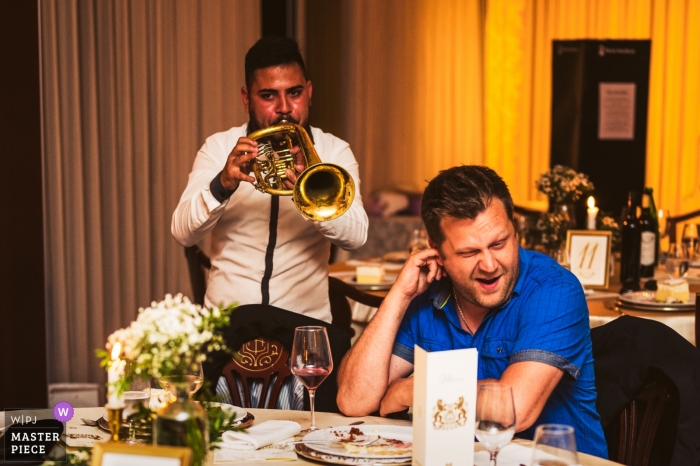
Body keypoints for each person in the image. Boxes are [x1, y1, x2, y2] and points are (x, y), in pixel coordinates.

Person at [336, 165, 607, 458]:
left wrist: (409, 391)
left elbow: (513, 409)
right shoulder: (424, 296)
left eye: (499, 243)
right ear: (436, 250)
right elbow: (354, 401)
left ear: (515, 231)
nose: (490, 265)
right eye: (469, 253)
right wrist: (398, 297)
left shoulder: (554, 290)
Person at [172, 36, 367, 322]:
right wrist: (221, 185)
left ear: (309, 92)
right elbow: (182, 232)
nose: (285, 107)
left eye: (295, 92)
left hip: (305, 324)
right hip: (228, 324)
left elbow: (356, 237)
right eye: (268, 96)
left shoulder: (334, 151)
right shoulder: (218, 147)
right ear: (246, 98)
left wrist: (309, 197)